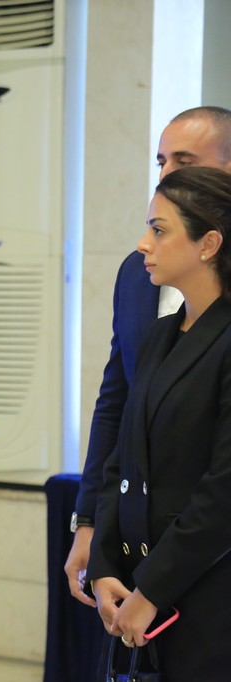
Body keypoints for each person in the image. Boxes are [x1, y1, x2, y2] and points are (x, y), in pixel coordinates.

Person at [65, 106, 231, 605]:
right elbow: (117, 403)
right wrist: (91, 523)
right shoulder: (137, 275)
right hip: (138, 533)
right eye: (161, 161)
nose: (166, 174)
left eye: (184, 161)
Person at [86, 165, 231, 679]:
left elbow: (223, 492)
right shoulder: (159, 335)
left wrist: (151, 590)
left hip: (205, 596)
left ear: (208, 244)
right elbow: (121, 462)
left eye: (159, 230)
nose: (143, 244)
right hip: (137, 587)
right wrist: (104, 565)